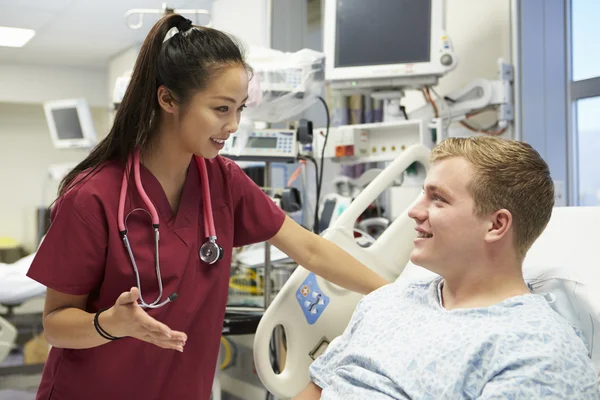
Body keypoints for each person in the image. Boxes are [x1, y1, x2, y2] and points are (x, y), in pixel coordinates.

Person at [26, 14, 389, 400]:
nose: (232, 125)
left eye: (240, 109)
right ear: (168, 99)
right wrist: (112, 323)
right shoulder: (91, 197)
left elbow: (311, 249)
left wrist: (396, 296)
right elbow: (55, 324)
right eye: (221, 109)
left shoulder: (222, 181)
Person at [295, 136, 600, 399]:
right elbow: (317, 389)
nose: (414, 212)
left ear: (496, 225)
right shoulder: (383, 304)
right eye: (423, 195)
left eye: (438, 200)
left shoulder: (538, 352)